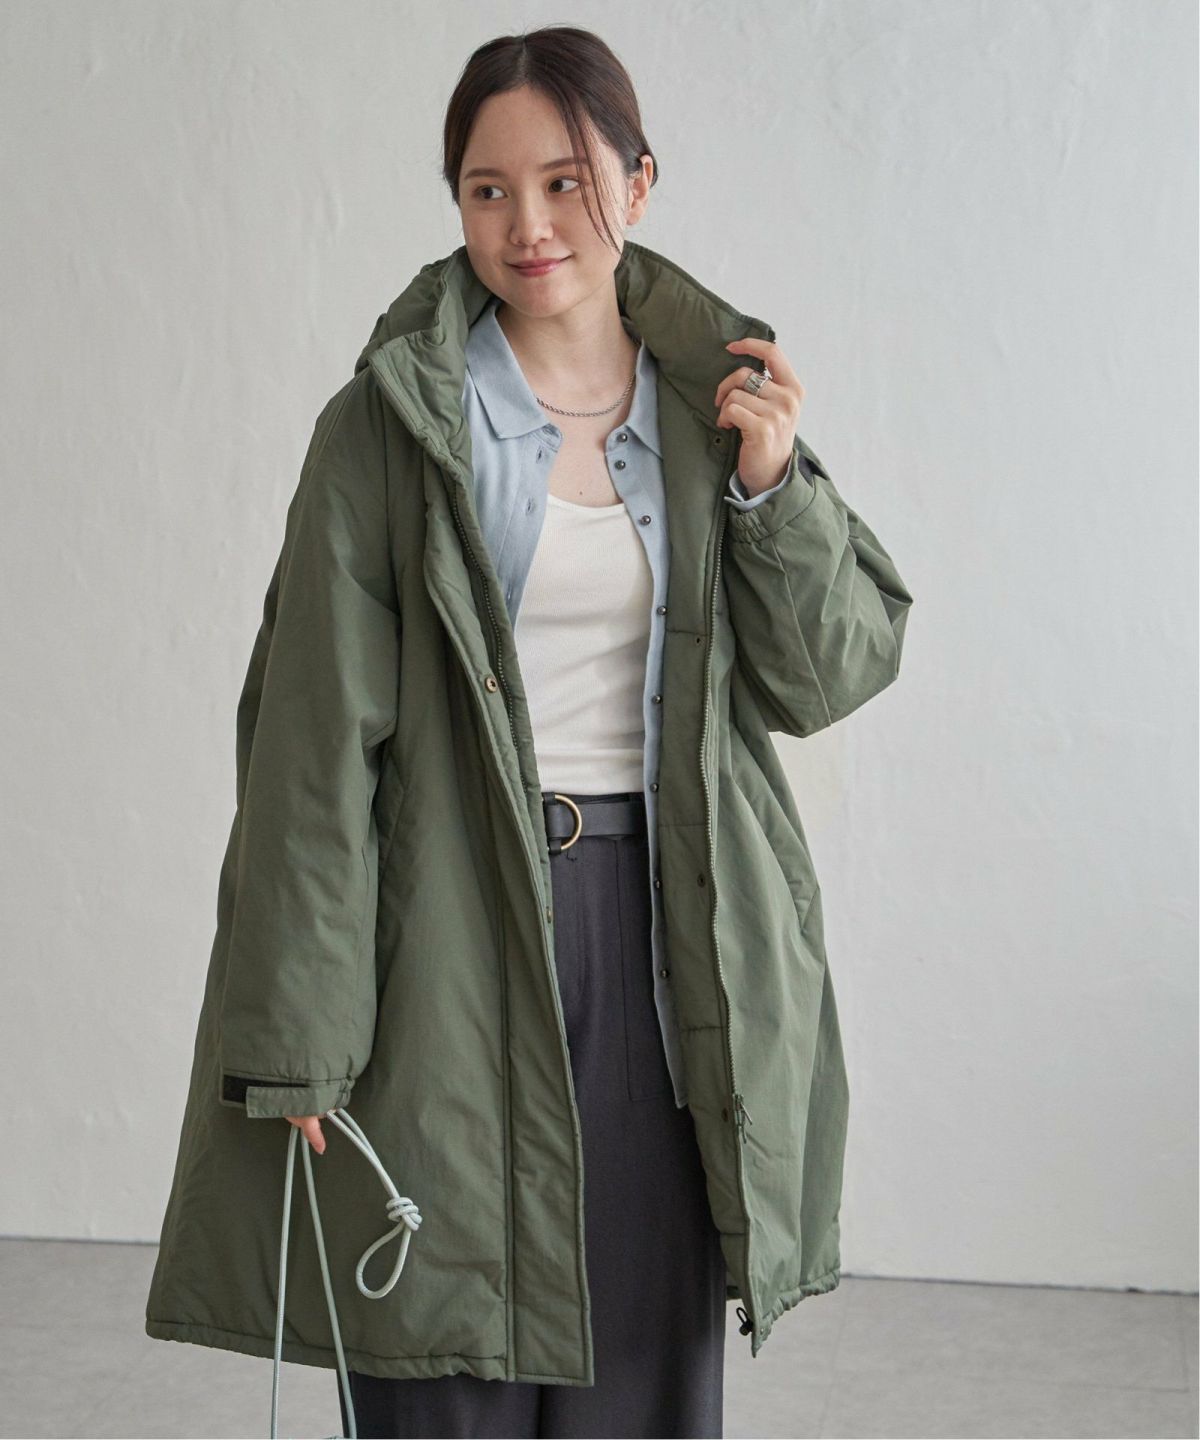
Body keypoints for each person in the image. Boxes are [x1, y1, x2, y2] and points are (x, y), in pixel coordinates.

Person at [145, 24, 913, 1440]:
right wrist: (301, 1031)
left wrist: (774, 487)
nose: (529, 224)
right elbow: (312, 750)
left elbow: (835, 673)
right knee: (442, 1353)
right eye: (487, 190)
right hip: (442, 926)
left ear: (639, 180)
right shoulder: (387, 429)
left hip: (667, 934)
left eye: (566, 182)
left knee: (640, 1369)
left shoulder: (715, 413)